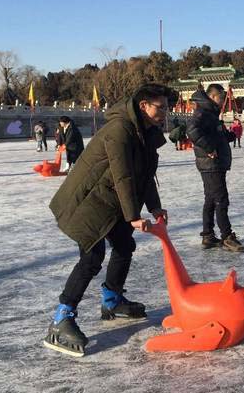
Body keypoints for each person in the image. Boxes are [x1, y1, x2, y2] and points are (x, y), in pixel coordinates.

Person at [45, 84, 171, 357]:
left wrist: (155, 207)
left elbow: (145, 175)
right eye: (159, 107)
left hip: (111, 203)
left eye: (166, 106)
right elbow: (122, 175)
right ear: (143, 106)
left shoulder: (145, 132)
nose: (165, 112)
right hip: (88, 203)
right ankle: (61, 318)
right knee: (91, 258)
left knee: (125, 247)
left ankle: (112, 300)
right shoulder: (120, 130)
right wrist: (133, 216)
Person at [188, 84, 244, 252]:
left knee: (211, 199)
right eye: (221, 97)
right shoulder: (203, 112)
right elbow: (192, 131)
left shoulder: (211, 113)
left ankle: (208, 235)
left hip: (213, 164)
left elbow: (215, 134)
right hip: (210, 164)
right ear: (213, 97)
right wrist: (209, 148)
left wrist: (229, 135)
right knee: (221, 199)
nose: (222, 101)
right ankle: (227, 236)